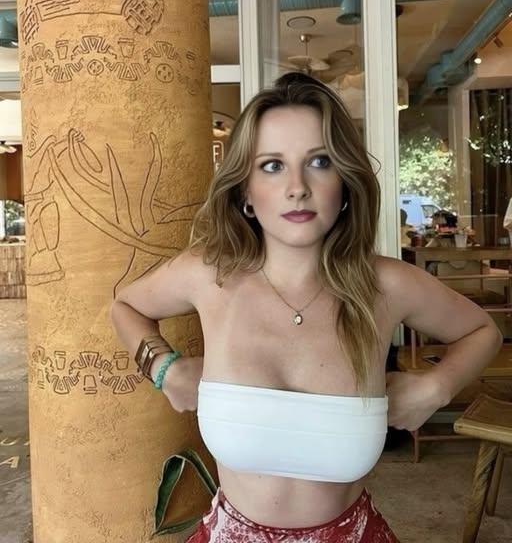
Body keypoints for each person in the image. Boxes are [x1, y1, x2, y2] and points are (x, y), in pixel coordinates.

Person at [111, 72, 502, 542]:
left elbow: (483, 331)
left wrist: (436, 387)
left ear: (345, 182)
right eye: (272, 165)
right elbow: (126, 305)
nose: (297, 187)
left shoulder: (386, 285)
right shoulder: (209, 275)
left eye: (319, 161)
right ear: (245, 191)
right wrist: (163, 369)